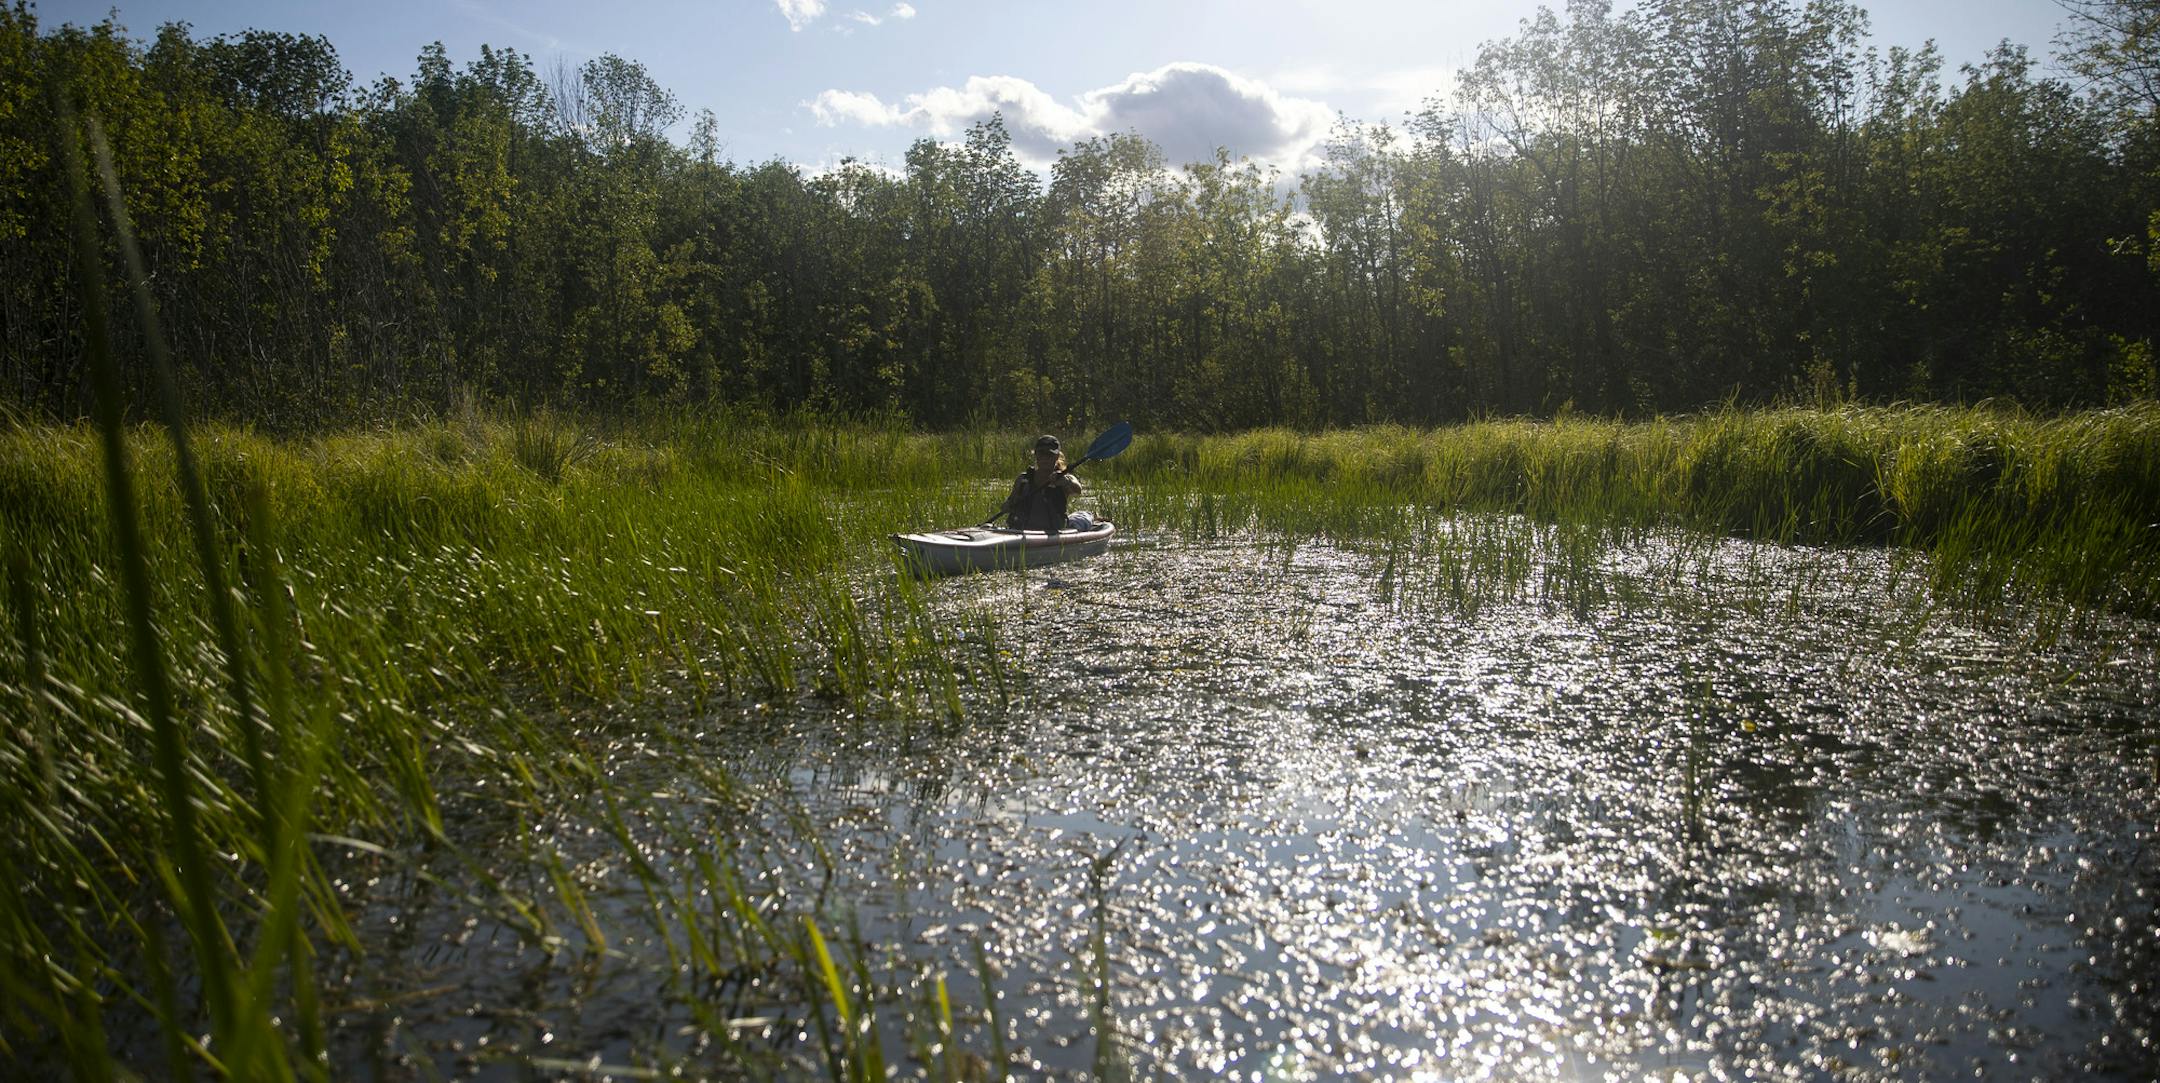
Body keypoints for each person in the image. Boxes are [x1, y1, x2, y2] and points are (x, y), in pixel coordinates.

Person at [1001, 434, 1089, 532]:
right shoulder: (1023, 479)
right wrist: (1007, 506)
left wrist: (1065, 481)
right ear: (1036, 455)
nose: (1045, 458)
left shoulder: (1064, 478)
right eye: (1041, 453)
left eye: (1050, 454)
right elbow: (1008, 502)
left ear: (1057, 456)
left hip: (1051, 532)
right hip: (1020, 531)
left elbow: (1078, 489)